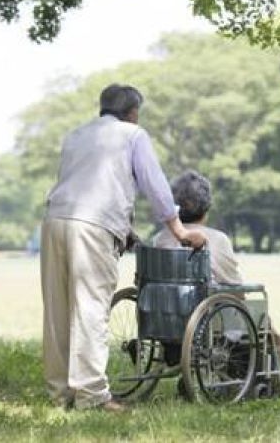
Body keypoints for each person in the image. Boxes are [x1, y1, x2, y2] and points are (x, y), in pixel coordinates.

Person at [41, 84, 206, 412]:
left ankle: (60, 395)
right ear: (133, 113)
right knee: (90, 307)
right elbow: (154, 185)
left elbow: (84, 185)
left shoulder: (76, 135)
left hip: (55, 221)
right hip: (93, 228)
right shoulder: (133, 135)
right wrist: (179, 230)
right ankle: (92, 396)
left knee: (58, 311)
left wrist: (125, 229)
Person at [154, 170, 280, 394]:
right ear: (206, 207)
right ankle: (274, 380)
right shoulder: (217, 239)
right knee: (269, 330)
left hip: (165, 319)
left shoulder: (160, 239)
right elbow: (235, 289)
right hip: (211, 322)